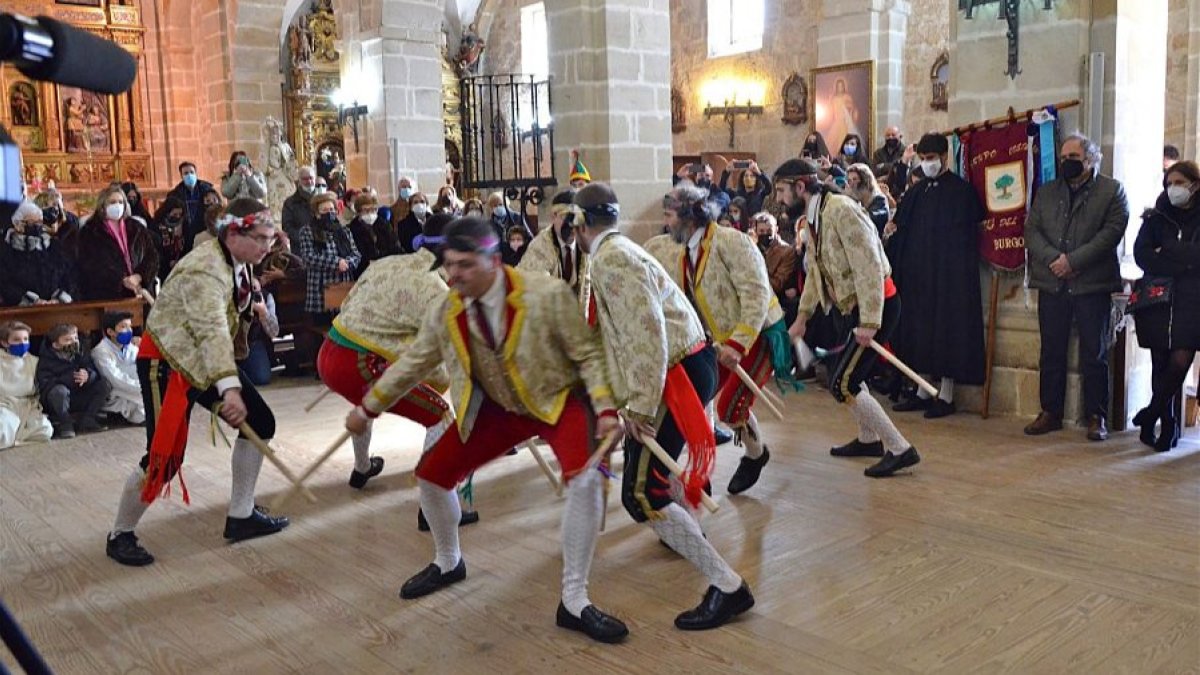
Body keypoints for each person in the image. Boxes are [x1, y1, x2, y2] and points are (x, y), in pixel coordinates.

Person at [344, 216, 626, 644]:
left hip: (556, 401)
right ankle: (448, 560)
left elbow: (587, 355)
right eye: (450, 264)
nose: (453, 273)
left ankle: (574, 599)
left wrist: (605, 408)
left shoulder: (545, 295)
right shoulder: (447, 308)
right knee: (432, 476)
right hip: (494, 407)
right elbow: (416, 361)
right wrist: (369, 406)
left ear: (494, 261)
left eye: (464, 265)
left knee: (586, 479)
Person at [574, 183, 755, 630]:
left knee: (642, 493)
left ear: (580, 222)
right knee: (649, 489)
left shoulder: (614, 258)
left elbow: (648, 333)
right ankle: (697, 544)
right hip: (676, 368)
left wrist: (637, 406)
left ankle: (728, 586)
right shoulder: (612, 252)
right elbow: (616, 336)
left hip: (674, 373)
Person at [105, 198, 291, 567]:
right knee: (164, 458)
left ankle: (240, 516)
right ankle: (120, 534)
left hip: (203, 362)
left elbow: (221, 335)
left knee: (260, 423)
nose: (267, 247)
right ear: (234, 232)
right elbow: (211, 332)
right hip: (167, 361)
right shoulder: (205, 270)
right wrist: (230, 388)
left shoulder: (237, 261)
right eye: (262, 238)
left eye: (272, 238)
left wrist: (229, 383)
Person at [321, 213, 480, 530]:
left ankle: (362, 467)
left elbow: (352, 306)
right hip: (361, 365)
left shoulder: (387, 262)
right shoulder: (433, 289)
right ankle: (431, 507)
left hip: (329, 354)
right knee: (442, 417)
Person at [776, 158, 919, 478]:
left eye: (783, 191)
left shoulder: (841, 210)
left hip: (877, 304)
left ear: (801, 186)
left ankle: (900, 448)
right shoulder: (814, 216)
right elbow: (815, 271)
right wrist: (802, 316)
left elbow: (868, 263)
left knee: (843, 383)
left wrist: (869, 321)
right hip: (848, 308)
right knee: (854, 376)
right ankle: (869, 440)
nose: (782, 199)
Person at [660, 182, 786, 495]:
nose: (666, 223)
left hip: (758, 332)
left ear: (690, 217)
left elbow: (756, 294)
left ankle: (756, 456)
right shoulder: (687, 250)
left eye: (670, 215)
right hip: (720, 339)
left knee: (730, 408)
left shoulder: (732, 241)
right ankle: (699, 474)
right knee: (696, 397)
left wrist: (738, 343)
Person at [1023, 133, 1129, 440]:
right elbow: (1032, 231)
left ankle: (1096, 416)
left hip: (1092, 284)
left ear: (1091, 160)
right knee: (1051, 351)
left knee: (1094, 353)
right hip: (1052, 282)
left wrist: (1074, 261)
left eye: (1073, 158)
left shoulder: (1111, 191)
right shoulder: (1047, 191)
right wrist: (1055, 259)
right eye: (1063, 157)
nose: (1066, 163)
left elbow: (1111, 233)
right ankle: (1050, 411)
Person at [889, 133, 986, 418]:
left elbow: (967, 238)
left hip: (948, 277)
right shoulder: (917, 193)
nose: (927, 164)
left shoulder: (961, 192)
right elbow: (902, 229)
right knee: (919, 331)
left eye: (931, 158)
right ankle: (921, 390)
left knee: (946, 332)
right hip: (919, 277)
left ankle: (945, 395)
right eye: (923, 159)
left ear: (944, 157)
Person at [1131, 160, 1200, 452]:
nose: (1174, 189)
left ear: (1194, 185)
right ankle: (1166, 427)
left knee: (1180, 361)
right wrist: (1181, 261)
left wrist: (1168, 249)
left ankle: (1150, 413)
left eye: (1179, 183)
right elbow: (1141, 254)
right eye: (1169, 183)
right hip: (1159, 298)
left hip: (1193, 299)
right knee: (1160, 363)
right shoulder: (1157, 216)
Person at [77, 185, 159, 301]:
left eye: (121, 202)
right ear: (102, 206)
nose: (117, 206)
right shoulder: (90, 231)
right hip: (108, 295)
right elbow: (89, 264)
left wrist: (140, 276)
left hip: (139, 292)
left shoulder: (136, 228)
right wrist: (121, 280)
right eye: (113, 202)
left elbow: (152, 256)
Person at [36, 323, 112, 439]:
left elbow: (93, 370)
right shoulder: (46, 359)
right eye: (67, 340)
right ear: (56, 344)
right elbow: (45, 384)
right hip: (61, 400)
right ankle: (65, 424)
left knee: (104, 384)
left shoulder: (80, 352)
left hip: (81, 393)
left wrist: (88, 375)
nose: (73, 342)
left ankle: (89, 419)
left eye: (75, 338)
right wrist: (68, 379)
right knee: (58, 392)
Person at [296, 191, 360, 325]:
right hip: (321, 290)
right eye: (324, 210)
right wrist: (336, 263)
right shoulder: (307, 231)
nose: (329, 212)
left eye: (331, 209)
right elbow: (308, 257)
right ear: (317, 213)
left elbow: (356, 254)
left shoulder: (344, 231)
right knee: (323, 331)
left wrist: (348, 262)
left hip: (343, 287)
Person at [1, 199, 75, 307]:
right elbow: (5, 283)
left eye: (40, 222)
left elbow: (69, 274)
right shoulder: (6, 251)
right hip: (20, 312)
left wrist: (59, 297)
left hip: (57, 308)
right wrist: (32, 300)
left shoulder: (54, 246)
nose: (39, 226)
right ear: (18, 225)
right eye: (33, 223)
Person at [517, 189, 585, 293]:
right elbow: (537, 293)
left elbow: (585, 284)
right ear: (553, 217)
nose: (572, 225)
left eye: (577, 218)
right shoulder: (540, 248)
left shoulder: (584, 243)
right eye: (566, 217)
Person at [0, 321, 53, 449]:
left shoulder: (34, 361)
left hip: (27, 405)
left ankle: (14, 439)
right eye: (17, 340)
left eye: (25, 339)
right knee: (3, 429)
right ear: (5, 342)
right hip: (4, 404)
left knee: (45, 430)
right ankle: (15, 436)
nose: (22, 343)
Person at [92, 311, 146, 425]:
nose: (129, 331)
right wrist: (142, 387)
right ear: (111, 332)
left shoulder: (131, 348)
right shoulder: (101, 351)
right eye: (123, 327)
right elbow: (115, 379)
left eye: (130, 327)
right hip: (115, 393)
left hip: (132, 391)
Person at [753, 212, 799, 327]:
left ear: (776, 229)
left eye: (769, 231)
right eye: (761, 231)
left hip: (775, 301)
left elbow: (778, 284)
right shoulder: (752, 247)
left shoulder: (786, 251)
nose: (765, 234)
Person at [166, 162, 216, 251]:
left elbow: (216, 208)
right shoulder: (175, 194)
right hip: (186, 232)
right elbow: (169, 215)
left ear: (196, 173)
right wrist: (177, 224)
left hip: (205, 229)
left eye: (192, 172)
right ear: (181, 176)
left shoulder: (206, 189)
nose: (189, 175)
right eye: (186, 173)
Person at [346, 193, 399, 277]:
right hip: (364, 271)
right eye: (366, 210)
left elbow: (395, 246)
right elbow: (359, 252)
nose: (371, 213)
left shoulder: (384, 224)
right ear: (358, 212)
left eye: (374, 209)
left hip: (387, 267)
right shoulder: (352, 229)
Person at [845, 163, 891, 237]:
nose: (851, 185)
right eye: (849, 180)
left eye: (855, 179)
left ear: (866, 181)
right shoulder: (860, 200)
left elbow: (868, 220)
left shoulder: (879, 200)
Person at [149, 197, 188, 283]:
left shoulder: (184, 225)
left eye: (180, 214)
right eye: (174, 214)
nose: (178, 217)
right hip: (163, 269)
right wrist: (168, 262)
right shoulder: (156, 226)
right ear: (167, 212)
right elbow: (154, 250)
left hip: (181, 267)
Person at [282, 166, 317, 242]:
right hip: (299, 247)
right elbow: (287, 228)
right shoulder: (290, 203)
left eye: (311, 178)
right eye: (305, 179)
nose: (309, 181)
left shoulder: (322, 200)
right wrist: (305, 238)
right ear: (299, 181)